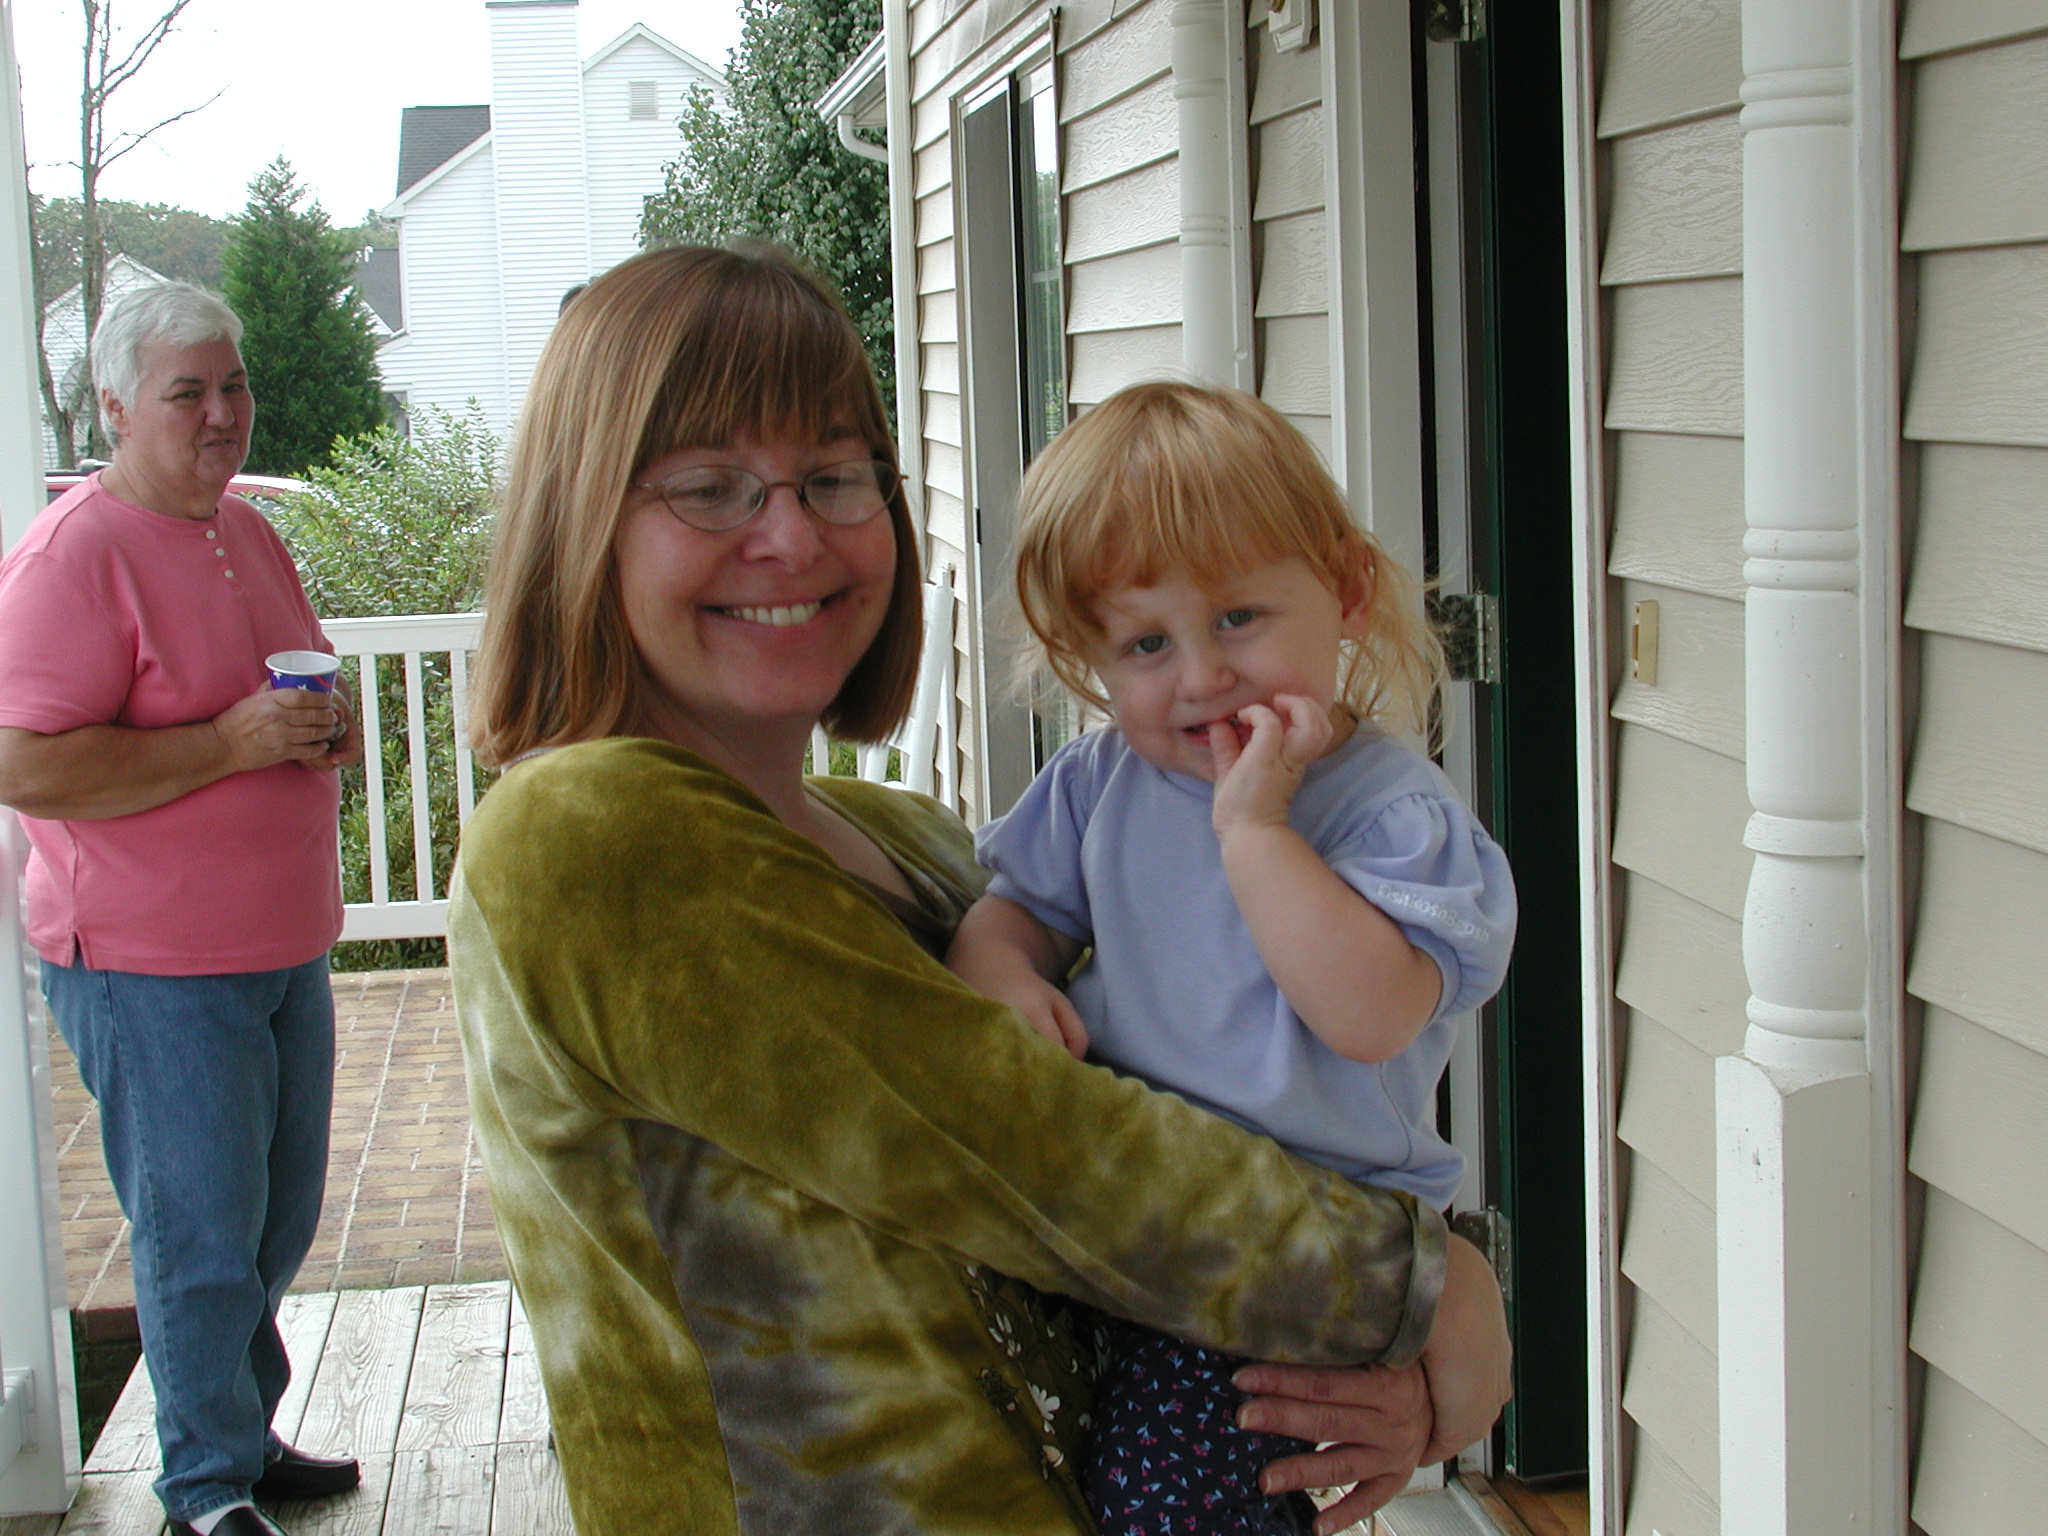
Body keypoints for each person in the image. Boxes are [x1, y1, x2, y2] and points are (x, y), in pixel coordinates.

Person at [450, 242, 1512, 1536]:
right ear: (583, 520)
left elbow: (1151, 1148)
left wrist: (1353, 1369)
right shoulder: (588, 833)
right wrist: (1427, 1287)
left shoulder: (908, 841)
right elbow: (1041, 1154)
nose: (789, 535)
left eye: (834, 477)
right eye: (708, 487)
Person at [944, 382, 1518, 1536]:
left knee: (1182, 1505)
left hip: (1289, 1254)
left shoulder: (1387, 813)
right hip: (1116, 1212)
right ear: (1088, 658)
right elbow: (1010, 918)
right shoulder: (1098, 782)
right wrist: (1001, 975)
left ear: (1343, 592)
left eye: (1238, 618)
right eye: (1147, 643)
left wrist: (1254, 828)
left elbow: (1370, 1013)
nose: (1202, 676)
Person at [0, 284, 364, 1536]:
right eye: (188, 393)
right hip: (148, 960)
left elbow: (278, 693)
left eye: (234, 385)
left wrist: (322, 729)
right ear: (113, 407)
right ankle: (203, 1490)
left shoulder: (243, 529)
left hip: (281, 942)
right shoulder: (73, 556)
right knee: (199, 1232)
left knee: (272, 1223)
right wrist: (227, 743)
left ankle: (241, 1438)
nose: (222, 414)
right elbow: (20, 760)